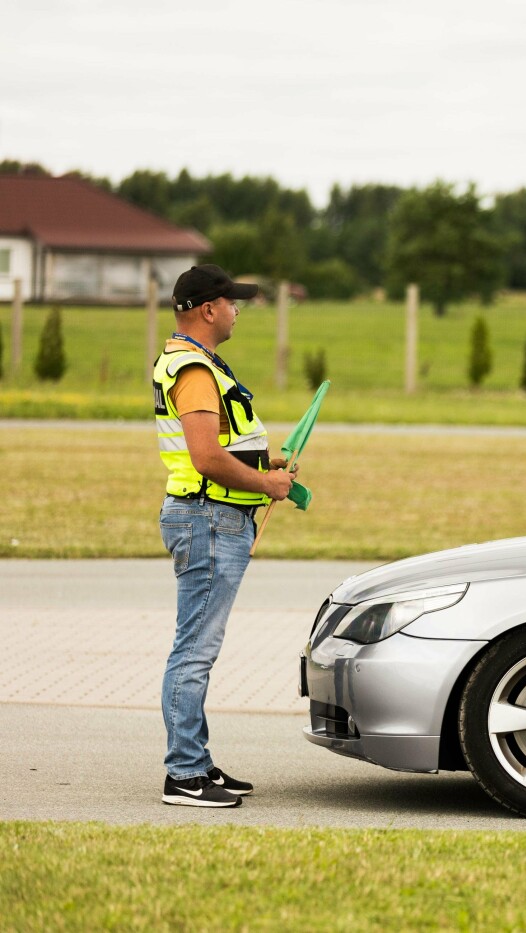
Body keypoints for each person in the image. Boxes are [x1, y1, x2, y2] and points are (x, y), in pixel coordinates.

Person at [154, 264, 296, 808]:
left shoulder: (201, 363)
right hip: (208, 518)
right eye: (232, 302)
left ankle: (197, 762)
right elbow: (206, 458)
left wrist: (270, 465)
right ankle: (184, 776)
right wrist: (267, 484)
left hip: (212, 516)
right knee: (194, 650)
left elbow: (225, 446)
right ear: (208, 309)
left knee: (198, 648)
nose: (238, 310)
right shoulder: (193, 369)